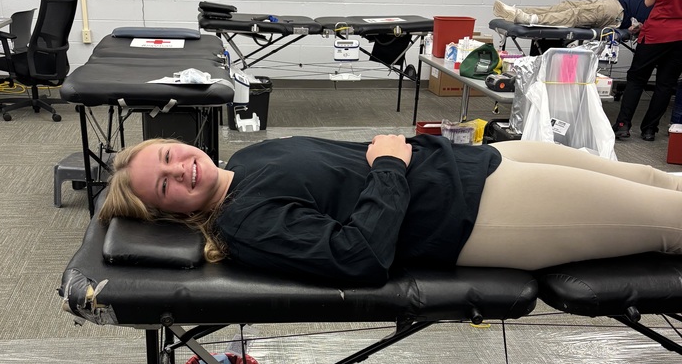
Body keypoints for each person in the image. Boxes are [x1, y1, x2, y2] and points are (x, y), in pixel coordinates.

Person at [98, 133, 682, 287]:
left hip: (471, 163)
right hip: (474, 213)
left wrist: (397, 160)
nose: (182, 169)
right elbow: (360, 257)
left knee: (656, 177)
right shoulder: (244, 222)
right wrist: (390, 167)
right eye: (166, 186)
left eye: (170, 156)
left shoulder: (248, 160)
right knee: (670, 222)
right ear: (171, 214)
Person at [612, 0, 682, 141]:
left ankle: (622, 126)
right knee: (666, 84)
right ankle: (650, 130)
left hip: (657, 33)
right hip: (681, 38)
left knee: (636, 79)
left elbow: (648, 1)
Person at [492, 0, 650, 31]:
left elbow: (642, 28)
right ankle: (519, 12)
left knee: (575, 15)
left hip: (618, 14)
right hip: (615, 4)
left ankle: (529, 18)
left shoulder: (664, 13)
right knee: (566, 6)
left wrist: (636, 29)